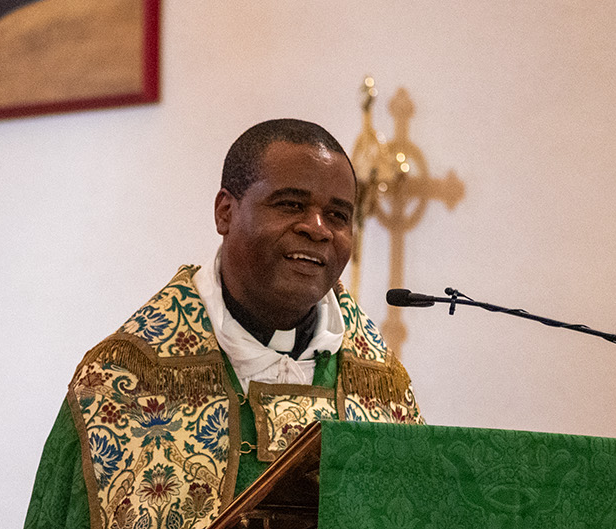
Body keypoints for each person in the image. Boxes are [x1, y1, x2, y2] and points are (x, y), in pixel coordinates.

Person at [23, 119, 424, 529]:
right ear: (225, 212)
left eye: (337, 215)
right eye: (290, 205)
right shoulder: (120, 383)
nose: (317, 228)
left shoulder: (384, 392)